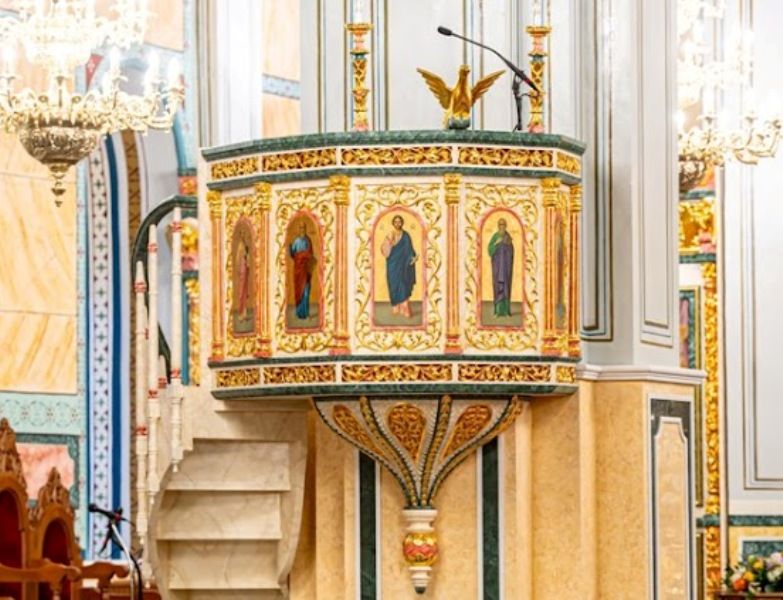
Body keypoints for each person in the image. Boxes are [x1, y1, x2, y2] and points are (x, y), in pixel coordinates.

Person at [381, 215, 417, 318]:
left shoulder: (406, 236)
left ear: (402, 223)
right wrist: (389, 243)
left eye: (399, 221)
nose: (397, 223)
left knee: (403, 284)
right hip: (392, 264)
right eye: (395, 222)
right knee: (393, 284)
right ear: (393, 223)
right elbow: (385, 251)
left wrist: (413, 258)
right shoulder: (390, 234)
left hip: (403, 265)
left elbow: (410, 249)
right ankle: (396, 306)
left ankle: (405, 308)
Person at [488, 218, 514, 317]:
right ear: (498, 226)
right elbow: (489, 250)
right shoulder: (495, 236)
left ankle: (506, 311)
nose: (502, 227)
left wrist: (507, 246)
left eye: (503, 225)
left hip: (506, 266)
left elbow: (511, 251)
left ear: (505, 226)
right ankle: (497, 312)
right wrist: (496, 243)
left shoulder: (508, 237)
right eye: (500, 225)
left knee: (506, 287)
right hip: (497, 266)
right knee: (497, 286)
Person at [289, 222, 316, 319]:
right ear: (299, 229)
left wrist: (305, 256)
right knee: (299, 290)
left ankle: (306, 313)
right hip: (298, 270)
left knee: (306, 292)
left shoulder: (308, 241)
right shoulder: (296, 241)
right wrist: (291, 250)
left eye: (303, 228)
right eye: (301, 228)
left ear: (305, 229)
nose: (302, 230)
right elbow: (293, 254)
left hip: (306, 270)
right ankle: (299, 313)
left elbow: (311, 254)